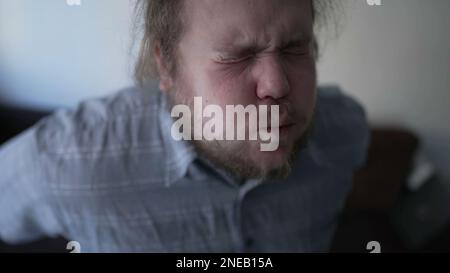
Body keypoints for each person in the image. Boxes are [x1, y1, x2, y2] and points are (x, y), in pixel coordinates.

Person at [0, 0, 369, 252]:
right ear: (166, 66)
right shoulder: (65, 163)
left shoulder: (345, 134)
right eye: (236, 55)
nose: (277, 86)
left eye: (294, 47)